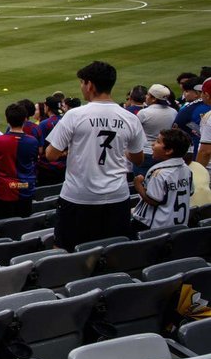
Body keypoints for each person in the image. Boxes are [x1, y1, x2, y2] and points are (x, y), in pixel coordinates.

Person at [46, 61, 145, 250]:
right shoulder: (130, 118)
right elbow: (138, 158)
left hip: (79, 196)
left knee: (65, 250)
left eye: (82, 83)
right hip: (117, 195)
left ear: (89, 85)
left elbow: (51, 154)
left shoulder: (75, 115)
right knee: (114, 250)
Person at [132, 129, 193, 233]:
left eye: (158, 142)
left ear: (168, 150)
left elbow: (153, 200)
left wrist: (138, 186)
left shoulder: (159, 173)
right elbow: (190, 192)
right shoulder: (187, 169)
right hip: (179, 225)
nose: (153, 144)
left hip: (157, 226)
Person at [0, 103, 38, 219]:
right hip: (25, 187)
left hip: (4, 190)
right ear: (25, 119)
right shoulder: (32, 141)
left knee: (4, 224)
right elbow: (34, 160)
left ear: (7, 119)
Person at [136, 84, 176, 176]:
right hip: (164, 153)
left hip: (146, 152)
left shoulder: (144, 113)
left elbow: (135, 132)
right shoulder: (173, 112)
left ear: (153, 98)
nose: (146, 96)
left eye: (148, 94)